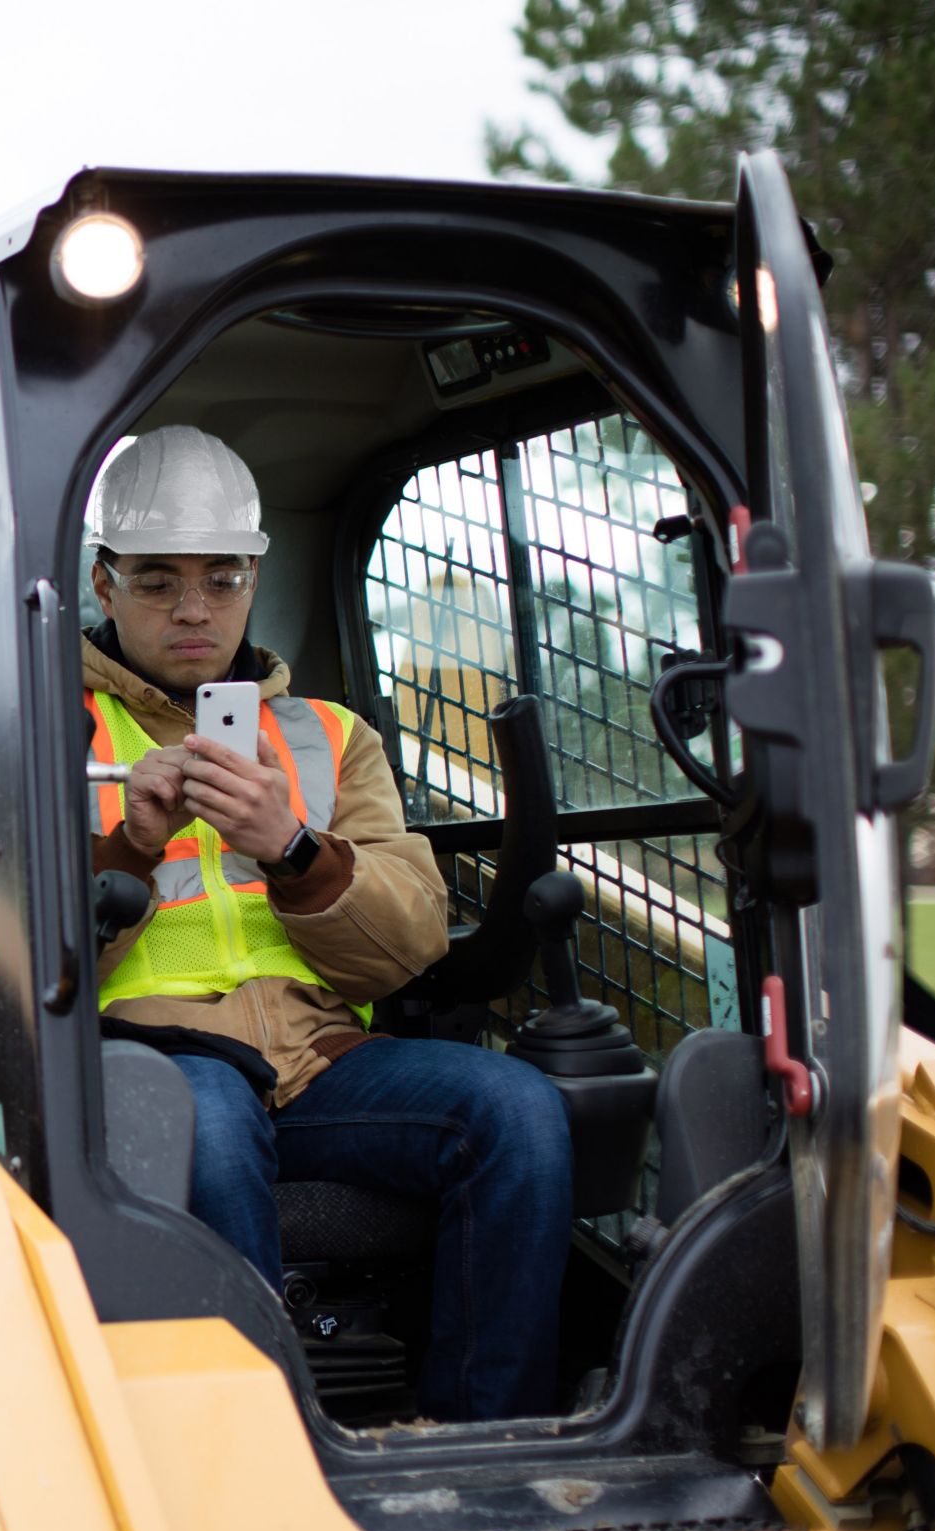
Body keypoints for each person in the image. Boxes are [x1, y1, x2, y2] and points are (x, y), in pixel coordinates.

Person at [83, 424, 570, 1422]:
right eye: (156, 579)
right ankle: (267, 1443)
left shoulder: (331, 737)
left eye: (221, 578)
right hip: (143, 1060)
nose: (192, 607)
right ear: (103, 585)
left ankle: (478, 1438)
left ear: (254, 577)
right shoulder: (41, 732)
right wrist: (127, 848)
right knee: (207, 1124)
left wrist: (294, 848)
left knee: (517, 1109)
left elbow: (408, 944)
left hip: (316, 1063)